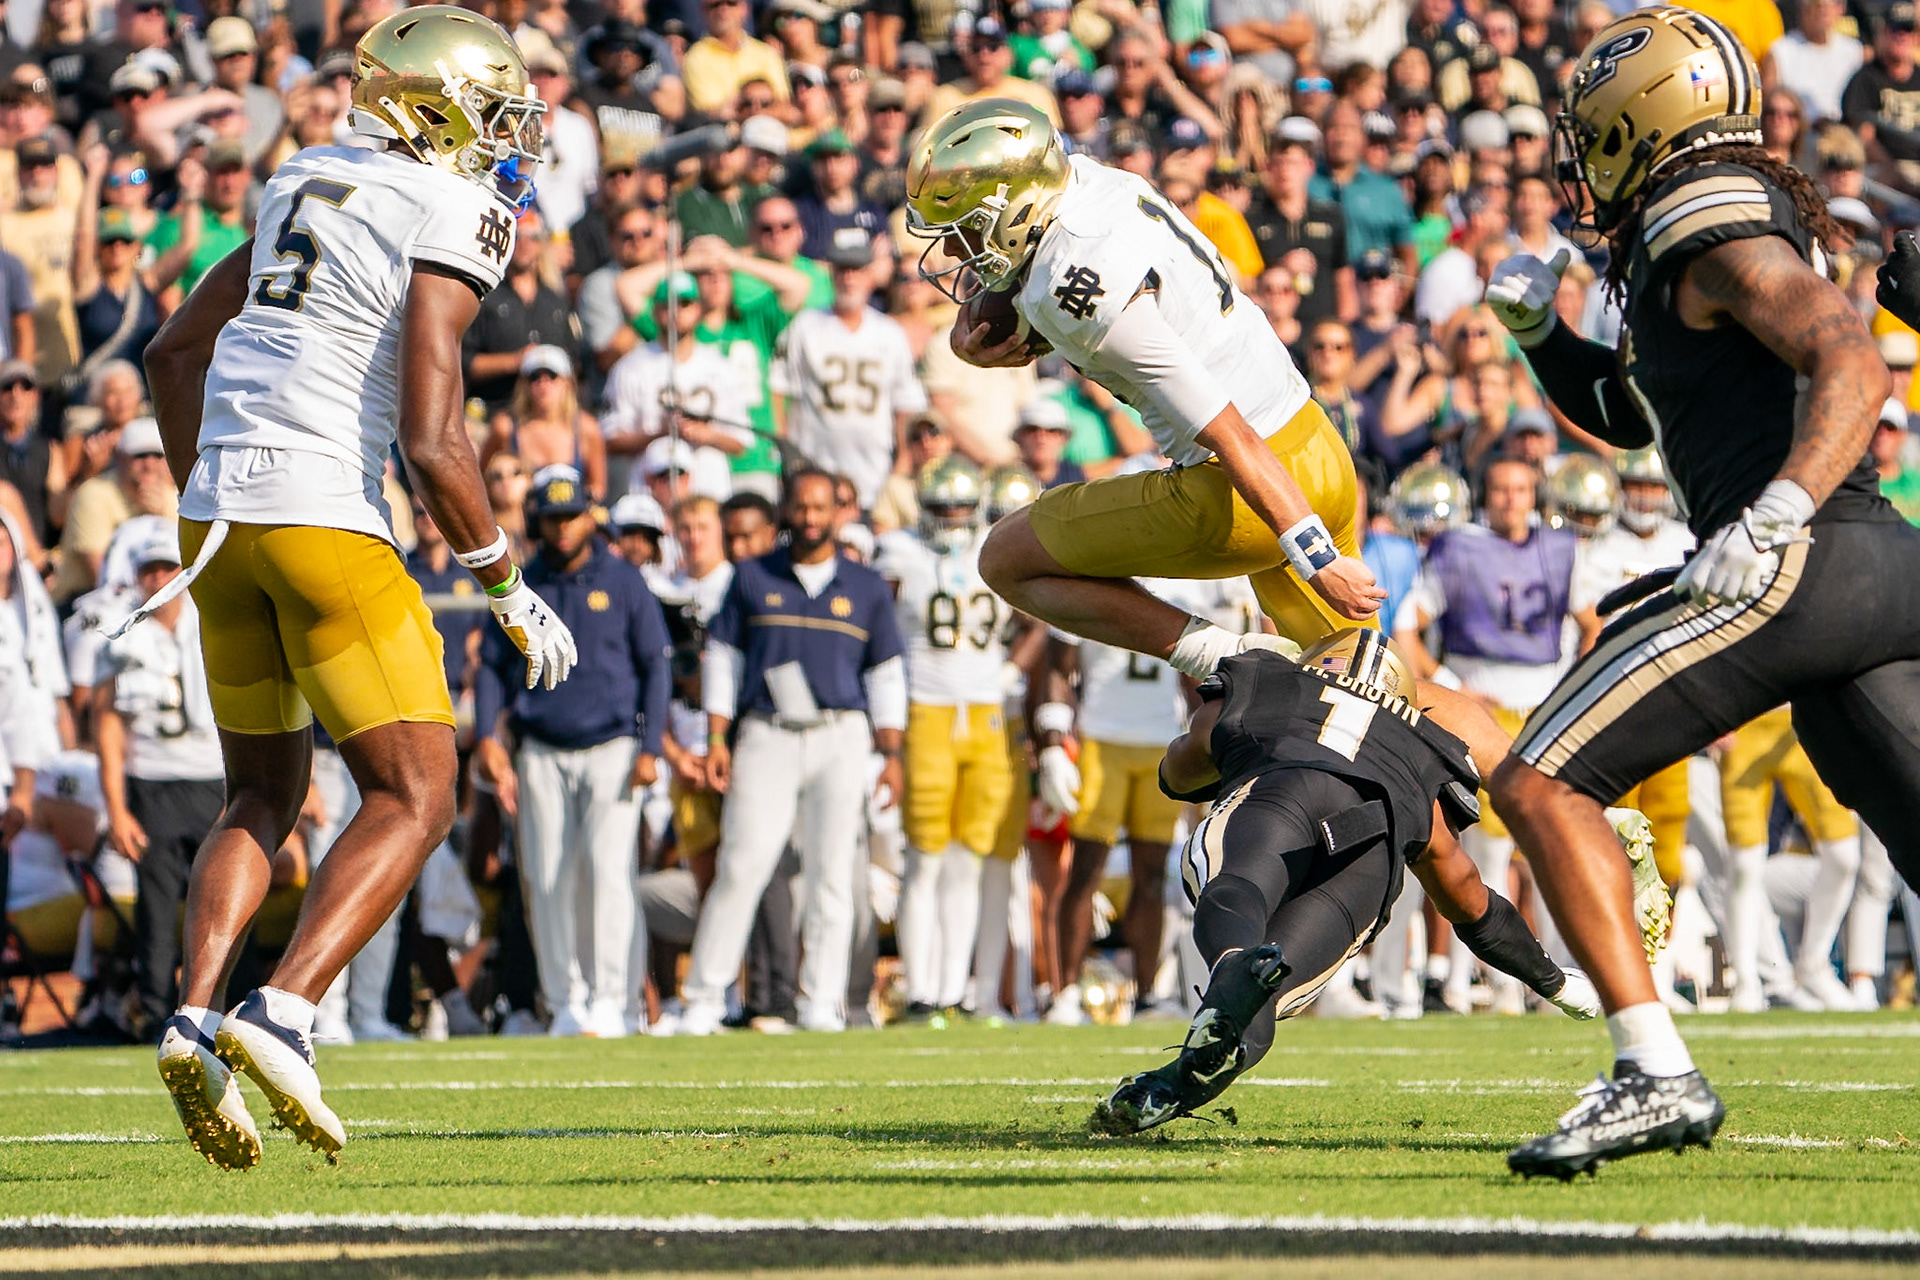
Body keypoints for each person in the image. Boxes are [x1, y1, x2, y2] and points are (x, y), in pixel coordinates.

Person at [1485, 7, 1920, 1178]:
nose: (1581, 163)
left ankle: (1652, 1068)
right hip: (1869, 564)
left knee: (1540, 779)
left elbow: (1852, 355)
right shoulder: (1703, 225)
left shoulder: (1702, 212)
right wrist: (1544, 337)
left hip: (1803, 553)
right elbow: (1643, 414)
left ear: (1640, 124)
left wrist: (1775, 511)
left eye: (1592, 136)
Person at [138, 7, 575, 1171]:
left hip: (214, 520)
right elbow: (434, 436)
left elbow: (171, 353)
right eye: (487, 110)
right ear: (431, 108)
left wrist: (218, 494)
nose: (501, 135)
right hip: (323, 506)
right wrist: (506, 581)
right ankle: (281, 1011)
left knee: (259, 793)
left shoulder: (303, 172)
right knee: (417, 791)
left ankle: (191, 1012)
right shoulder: (454, 204)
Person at [1092, 632, 1601, 1134]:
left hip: (1285, 786)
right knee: (1261, 1003)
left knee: (1239, 882)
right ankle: (1172, 1084)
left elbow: (1179, 772)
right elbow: (1465, 893)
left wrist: (1226, 749)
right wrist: (1553, 981)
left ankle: (1235, 965)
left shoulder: (1266, 678)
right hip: (1369, 854)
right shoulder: (1423, 742)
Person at [675, 469, 906, 1035]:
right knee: (742, 863)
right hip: (767, 730)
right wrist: (716, 738)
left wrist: (893, 754)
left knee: (832, 874)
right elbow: (723, 661)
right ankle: (704, 998)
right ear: (786, 511)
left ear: (837, 513)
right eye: (800, 507)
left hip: (841, 733)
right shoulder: (752, 577)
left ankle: (821, 1001)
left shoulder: (867, 585)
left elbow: (888, 675)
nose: (809, 517)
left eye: (819, 507)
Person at [473, 474, 671, 1038]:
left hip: (614, 746)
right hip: (541, 746)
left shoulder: (624, 579)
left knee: (610, 872)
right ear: (537, 520)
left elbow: (655, 664)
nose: (563, 528)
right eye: (553, 518)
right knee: (546, 875)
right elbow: (490, 664)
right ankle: (563, 1000)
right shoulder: (521, 583)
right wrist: (488, 735)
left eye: (572, 516)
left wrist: (652, 745)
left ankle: (612, 998)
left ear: (590, 516)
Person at [1394, 458, 1580, 1016]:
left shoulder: (1565, 546)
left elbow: (1590, 622)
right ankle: (1491, 981)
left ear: (1535, 495)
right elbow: (1407, 626)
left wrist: (1576, 684)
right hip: (1487, 705)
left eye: (1520, 489)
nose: (1510, 499)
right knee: (1488, 850)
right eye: (1500, 487)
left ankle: (1556, 975)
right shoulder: (1458, 547)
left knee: (1550, 848)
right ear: (1485, 493)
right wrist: (1452, 687)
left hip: (1545, 703)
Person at [874, 456, 1013, 1017]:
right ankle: (921, 990)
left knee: (969, 860)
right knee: (925, 857)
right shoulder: (900, 551)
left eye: (962, 507)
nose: (953, 518)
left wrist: (1011, 667)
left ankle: (953, 991)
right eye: (942, 508)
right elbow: (879, 629)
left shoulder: (999, 543)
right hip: (926, 709)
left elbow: (1041, 622)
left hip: (986, 712)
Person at [95, 530, 230, 1038]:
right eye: (149, 570)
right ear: (135, 576)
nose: (159, 579)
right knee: (155, 910)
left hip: (214, 779)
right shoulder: (124, 632)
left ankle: (233, 1010)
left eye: (166, 568)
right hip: (152, 781)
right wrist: (116, 808)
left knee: (229, 897)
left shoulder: (212, 620)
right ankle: (157, 1015)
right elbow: (107, 726)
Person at [771, 236, 926, 511]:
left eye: (857, 269)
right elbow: (779, 390)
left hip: (874, 471)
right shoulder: (805, 326)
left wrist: (902, 459)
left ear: (870, 275)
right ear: (831, 274)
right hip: (813, 468)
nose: (849, 278)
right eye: (842, 269)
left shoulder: (889, 333)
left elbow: (905, 402)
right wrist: (785, 452)